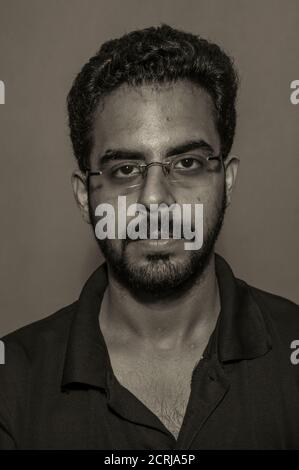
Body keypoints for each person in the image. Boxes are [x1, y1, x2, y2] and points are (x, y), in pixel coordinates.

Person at [0, 24, 298, 450]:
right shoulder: (12, 384)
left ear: (227, 181)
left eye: (188, 163)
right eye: (125, 169)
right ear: (85, 197)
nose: (155, 200)